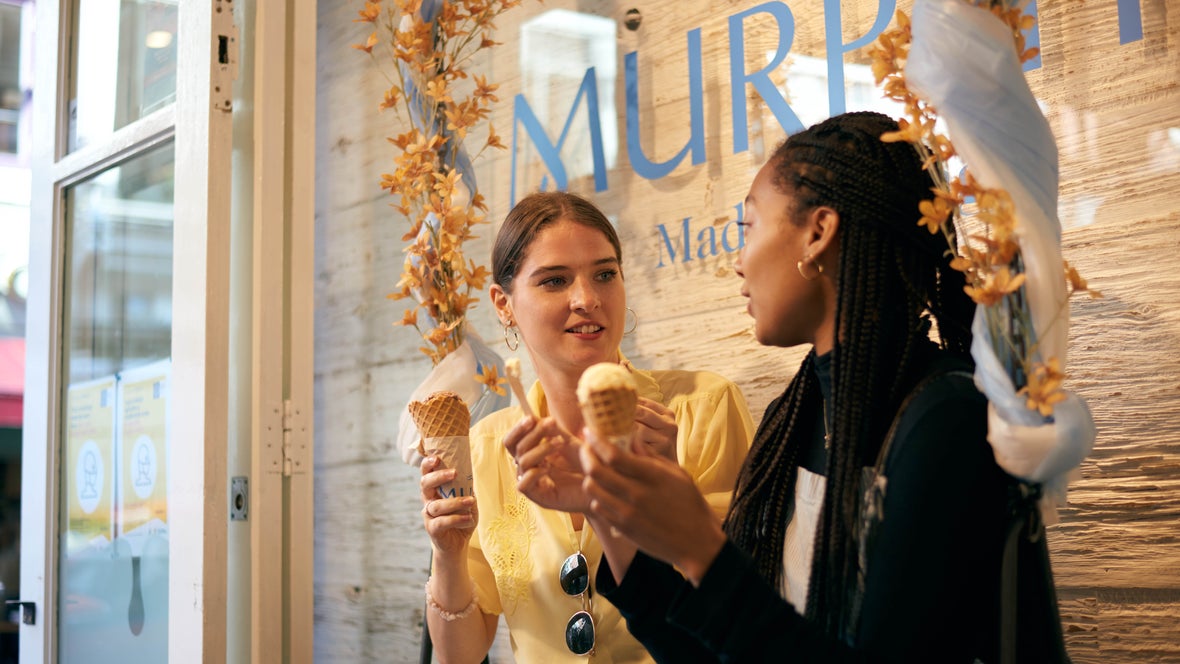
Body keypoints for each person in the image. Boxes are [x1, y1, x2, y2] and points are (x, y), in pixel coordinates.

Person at [576, 112, 1070, 662]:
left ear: (817, 233)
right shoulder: (792, 418)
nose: (738, 263)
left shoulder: (946, 419)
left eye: (748, 227)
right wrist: (605, 512)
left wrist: (699, 547)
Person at [418, 191, 755, 663]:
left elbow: (744, 617)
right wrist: (448, 553)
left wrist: (664, 500)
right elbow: (461, 654)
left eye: (605, 274)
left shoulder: (702, 409)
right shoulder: (487, 447)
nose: (588, 299)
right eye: (555, 281)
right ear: (503, 303)